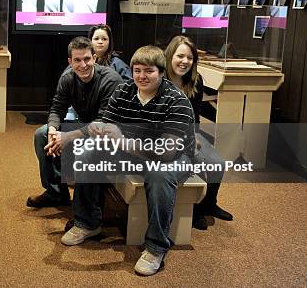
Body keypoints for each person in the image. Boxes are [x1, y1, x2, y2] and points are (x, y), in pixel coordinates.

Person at [60, 45, 196, 276]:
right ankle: (87, 222)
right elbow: (107, 121)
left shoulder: (177, 101)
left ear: (161, 73)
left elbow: (166, 153)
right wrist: (95, 130)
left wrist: (122, 142)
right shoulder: (124, 91)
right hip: (134, 150)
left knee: (159, 174)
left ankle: (156, 247)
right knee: (88, 153)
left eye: (149, 71)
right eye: (137, 70)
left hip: (173, 156)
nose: (141, 76)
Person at [26, 36, 123, 208]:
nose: (83, 65)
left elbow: (103, 122)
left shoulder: (111, 80)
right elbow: (57, 107)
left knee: (88, 146)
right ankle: (55, 193)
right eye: (77, 60)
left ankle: (84, 211)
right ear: (70, 62)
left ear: (94, 58)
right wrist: (53, 131)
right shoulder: (68, 77)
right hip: (85, 127)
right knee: (42, 134)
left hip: (110, 134)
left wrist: (69, 136)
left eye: (87, 59)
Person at [164, 35, 233, 230]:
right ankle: (192, 210)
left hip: (189, 133)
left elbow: (194, 117)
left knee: (217, 164)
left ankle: (208, 205)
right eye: (180, 56)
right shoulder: (158, 78)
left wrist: (193, 137)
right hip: (165, 137)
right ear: (170, 55)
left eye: (190, 58)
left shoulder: (196, 80)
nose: (185, 61)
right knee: (189, 163)